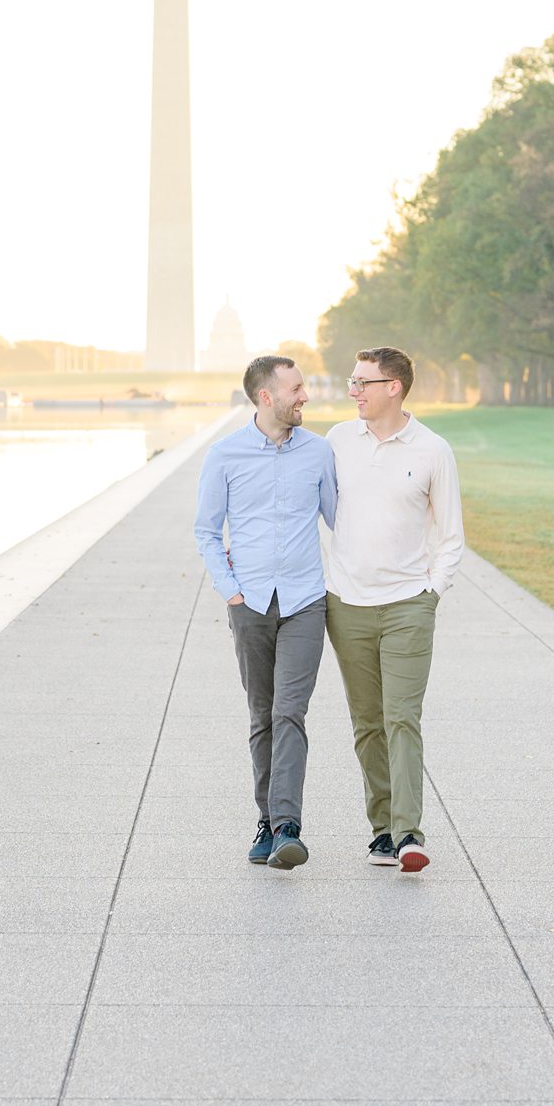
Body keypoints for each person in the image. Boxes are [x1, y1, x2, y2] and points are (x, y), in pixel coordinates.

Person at [324, 345, 465, 873]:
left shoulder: (432, 449)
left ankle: (408, 833)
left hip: (408, 605)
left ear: (394, 387)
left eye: (364, 381)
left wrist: (432, 593)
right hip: (347, 606)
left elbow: (450, 534)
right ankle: (381, 829)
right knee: (367, 723)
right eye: (352, 381)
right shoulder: (337, 441)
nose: (354, 390)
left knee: (401, 717)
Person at [194, 354, 336, 869]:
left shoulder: (319, 452)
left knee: (288, 712)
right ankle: (266, 822)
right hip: (250, 603)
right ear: (265, 397)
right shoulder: (225, 455)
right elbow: (207, 530)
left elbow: (341, 520)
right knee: (262, 716)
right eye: (296, 389)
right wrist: (230, 590)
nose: (305, 396)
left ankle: (287, 826)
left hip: (305, 602)